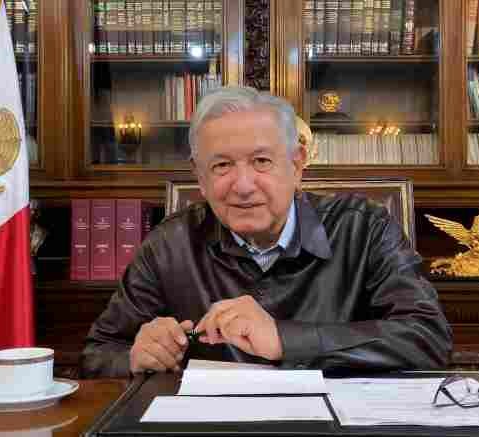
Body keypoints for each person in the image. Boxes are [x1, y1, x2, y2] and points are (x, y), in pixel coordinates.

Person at [81, 86, 452, 377]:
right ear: (200, 177)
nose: (243, 185)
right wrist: (135, 356)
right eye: (222, 165)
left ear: (297, 164)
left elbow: (428, 338)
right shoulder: (169, 244)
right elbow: (98, 353)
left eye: (261, 161)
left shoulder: (364, 228)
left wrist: (285, 339)